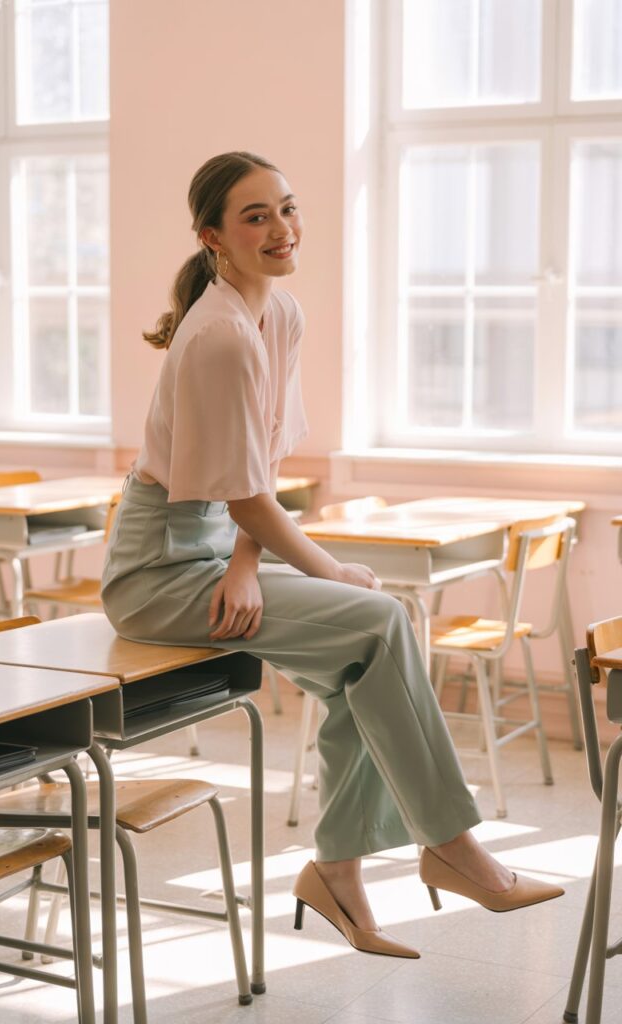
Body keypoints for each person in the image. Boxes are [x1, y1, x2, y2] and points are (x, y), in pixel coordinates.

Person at [102, 151, 564, 959]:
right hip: (158, 573)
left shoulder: (277, 316)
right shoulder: (216, 337)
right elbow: (245, 494)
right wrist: (320, 566)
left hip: (215, 556)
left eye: (287, 208)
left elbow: (264, 463)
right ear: (212, 235)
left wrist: (248, 562)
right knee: (381, 617)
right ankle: (456, 850)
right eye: (255, 216)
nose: (281, 229)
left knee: (367, 669)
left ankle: (338, 875)